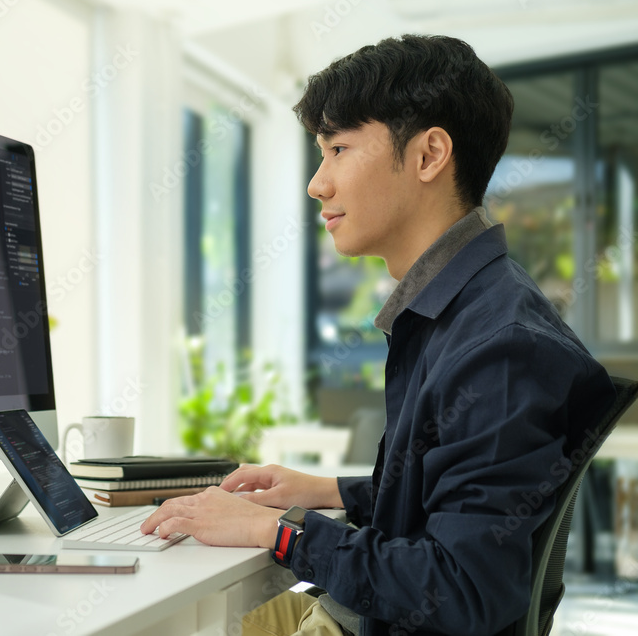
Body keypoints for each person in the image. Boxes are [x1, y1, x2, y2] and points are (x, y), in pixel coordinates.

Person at [140, 34, 616, 636]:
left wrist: (277, 531)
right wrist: (323, 490)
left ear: (428, 155)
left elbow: (467, 586)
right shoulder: (466, 309)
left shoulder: (500, 347)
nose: (318, 183)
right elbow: (449, 499)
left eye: (338, 149)